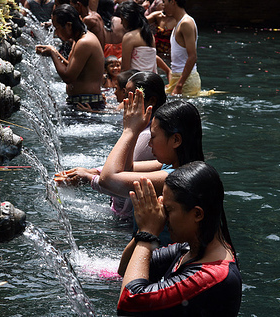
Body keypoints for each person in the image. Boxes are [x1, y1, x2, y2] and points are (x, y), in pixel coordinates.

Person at [117, 161, 242, 316]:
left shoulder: (213, 275)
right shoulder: (188, 249)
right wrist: (144, 230)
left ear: (197, 214)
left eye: (168, 209)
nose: (164, 216)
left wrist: (148, 233)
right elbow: (126, 268)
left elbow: (129, 301)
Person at [54, 71, 167, 220]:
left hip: (127, 218)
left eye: (131, 97)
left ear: (151, 101)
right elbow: (130, 169)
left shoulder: (147, 137)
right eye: (125, 94)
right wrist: (92, 171)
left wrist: (89, 178)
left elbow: (120, 178)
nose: (124, 102)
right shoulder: (146, 132)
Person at [98, 94, 204, 200]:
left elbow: (107, 180)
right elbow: (128, 169)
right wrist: (135, 132)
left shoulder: (176, 179)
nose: (149, 144)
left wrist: (129, 131)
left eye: (153, 137)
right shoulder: (170, 165)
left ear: (176, 140)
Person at [36, 4, 105, 110]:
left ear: (68, 25)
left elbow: (68, 77)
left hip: (87, 104)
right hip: (82, 101)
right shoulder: (78, 40)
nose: (56, 33)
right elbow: (71, 68)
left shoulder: (84, 42)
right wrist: (55, 53)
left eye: (57, 28)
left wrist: (53, 53)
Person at [163, 0, 201, 96]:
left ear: (173, 1)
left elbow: (193, 56)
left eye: (164, 2)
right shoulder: (178, 23)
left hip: (186, 81)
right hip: (179, 78)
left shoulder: (186, 23)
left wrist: (179, 85)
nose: (163, 5)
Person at [119, 0, 170, 79]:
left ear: (128, 19)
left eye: (122, 19)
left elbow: (125, 69)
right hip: (152, 81)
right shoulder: (150, 35)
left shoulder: (129, 37)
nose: (121, 23)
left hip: (137, 82)